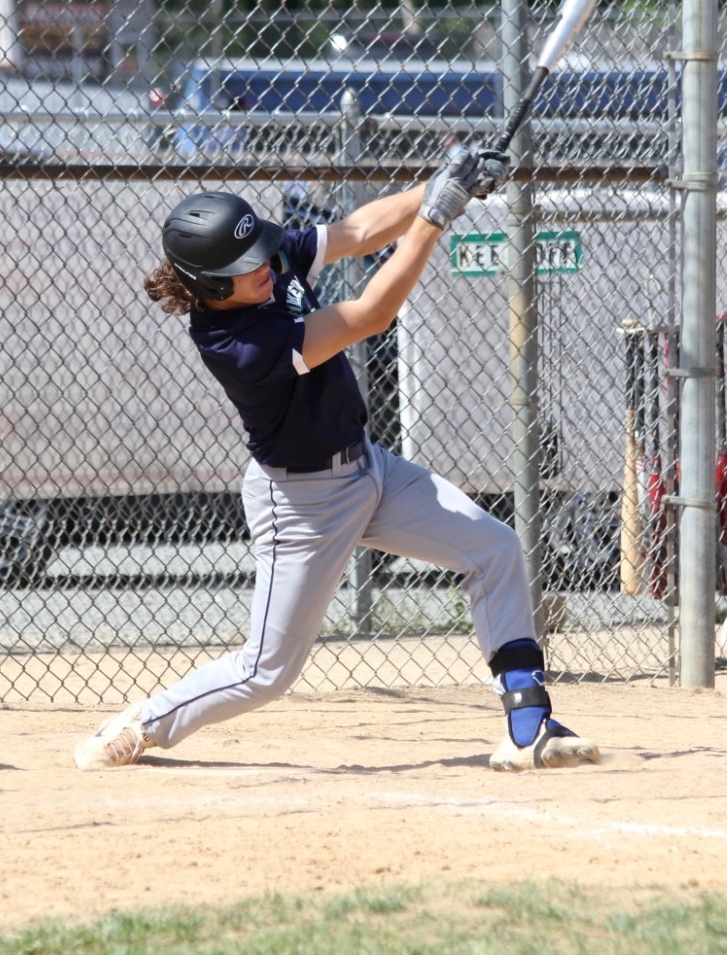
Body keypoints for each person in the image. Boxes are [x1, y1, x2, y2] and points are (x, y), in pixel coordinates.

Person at [74, 147, 600, 773]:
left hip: (369, 468)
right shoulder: (236, 343)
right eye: (246, 267)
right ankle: (145, 724)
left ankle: (528, 721)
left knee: (494, 548)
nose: (264, 266)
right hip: (303, 501)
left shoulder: (267, 264)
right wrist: (434, 219)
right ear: (213, 287)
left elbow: (358, 231)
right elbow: (371, 314)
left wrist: (442, 184)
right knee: (267, 672)